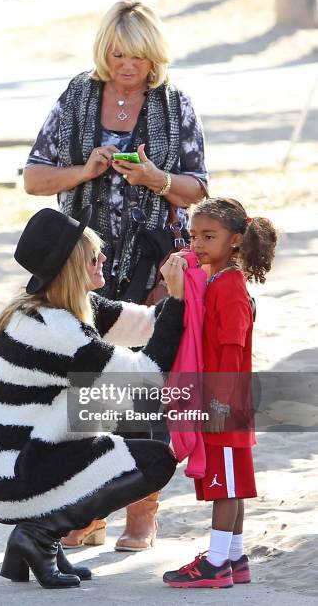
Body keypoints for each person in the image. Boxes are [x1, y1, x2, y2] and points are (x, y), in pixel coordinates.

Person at [23, 0, 208, 552]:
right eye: (118, 54)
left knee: (145, 386)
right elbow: (34, 178)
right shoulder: (78, 95)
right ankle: (89, 510)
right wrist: (86, 169)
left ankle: (141, 511)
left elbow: (199, 188)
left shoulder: (176, 105)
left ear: (155, 57)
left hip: (155, 262)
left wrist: (154, 178)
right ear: (105, 52)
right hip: (84, 269)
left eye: (139, 57)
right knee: (85, 387)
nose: (128, 66)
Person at [0, 206, 189, 590]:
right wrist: (180, 299)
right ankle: (39, 533)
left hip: (1, 468)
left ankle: (31, 537)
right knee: (155, 461)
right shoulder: (57, 329)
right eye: (93, 255)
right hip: (7, 478)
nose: (104, 258)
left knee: (103, 413)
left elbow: (148, 323)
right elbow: (148, 375)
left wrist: (193, 284)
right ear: (71, 266)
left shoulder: (51, 307)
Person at [163, 198, 277, 589]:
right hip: (222, 401)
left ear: (235, 241)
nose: (197, 243)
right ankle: (234, 557)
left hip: (223, 403)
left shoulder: (229, 286)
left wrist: (217, 403)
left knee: (224, 486)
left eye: (208, 236)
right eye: (194, 235)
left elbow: (231, 349)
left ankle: (214, 565)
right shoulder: (215, 278)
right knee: (232, 482)